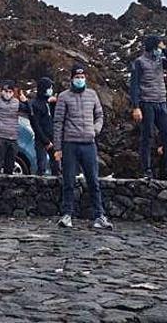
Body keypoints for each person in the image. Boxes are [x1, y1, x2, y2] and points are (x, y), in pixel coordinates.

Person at [54, 63, 112, 229]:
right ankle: (67, 214)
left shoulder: (92, 95)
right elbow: (58, 122)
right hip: (70, 143)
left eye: (82, 77)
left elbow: (100, 115)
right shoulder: (64, 97)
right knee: (69, 181)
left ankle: (99, 215)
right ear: (72, 79)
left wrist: (96, 129)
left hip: (88, 143)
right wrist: (58, 148)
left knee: (93, 181)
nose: (80, 79)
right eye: (77, 77)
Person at [129, 35, 167, 180]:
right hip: (147, 103)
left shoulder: (159, 60)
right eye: (158, 47)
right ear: (152, 47)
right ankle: (146, 170)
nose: (160, 50)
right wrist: (136, 106)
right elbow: (134, 85)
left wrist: (165, 50)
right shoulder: (140, 62)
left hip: (161, 103)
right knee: (147, 137)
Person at [0, 80, 30, 174]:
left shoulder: (16, 102)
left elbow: (29, 111)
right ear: (1, 91)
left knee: (10, 168)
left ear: (13, 92)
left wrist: (25, 101)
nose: (8, 94)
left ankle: (8, 188)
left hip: (12, 139)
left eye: (10, 92)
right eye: (6, 91)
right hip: (0, 138)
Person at [29, 77, 59, 176]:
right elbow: (35, 124)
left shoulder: (50, 103)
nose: (51, 90)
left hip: (53, 137)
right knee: (41, 166)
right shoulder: (35, 104)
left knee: (56, 166)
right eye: (49, 88)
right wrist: (45, 141)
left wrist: (54, 104)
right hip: (41, 138)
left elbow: (56, 118)